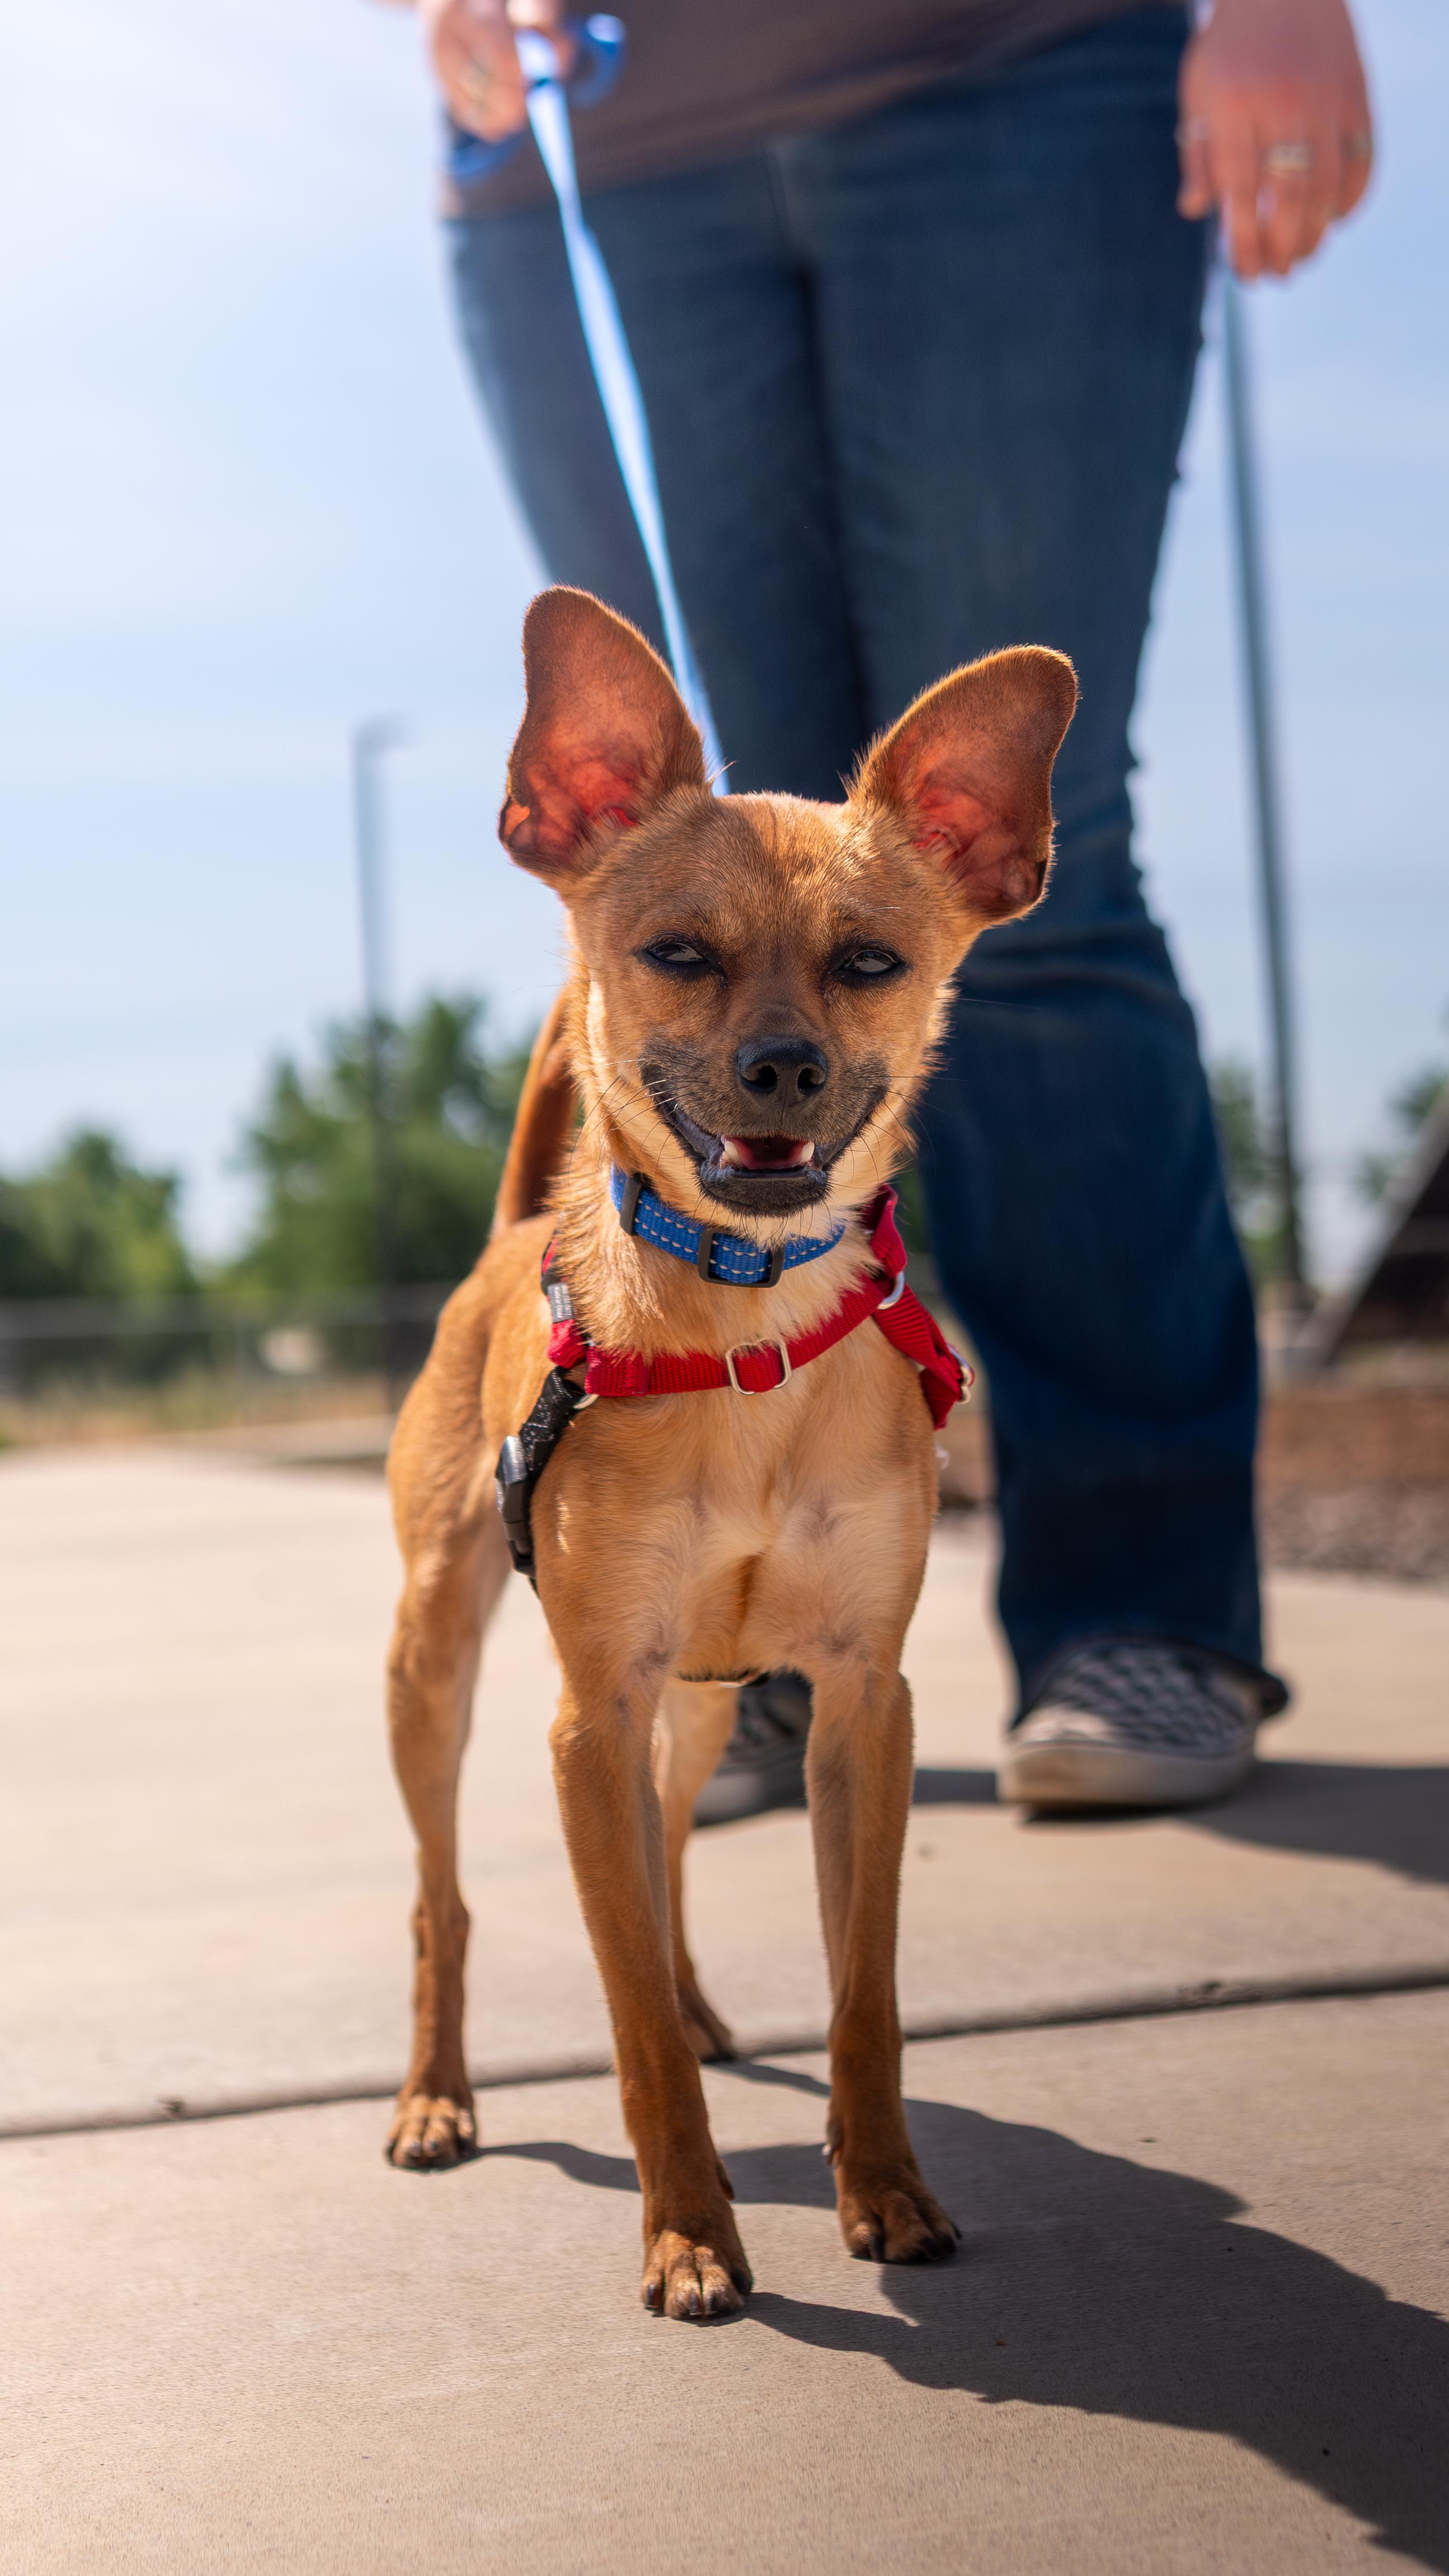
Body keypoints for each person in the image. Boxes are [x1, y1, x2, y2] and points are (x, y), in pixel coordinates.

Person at [401, 0, 1372, 1812]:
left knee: (999, 896)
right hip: (629, 132)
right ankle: (746, 1633)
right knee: (729, 866)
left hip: (1015, 75)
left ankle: (1137, 1612)